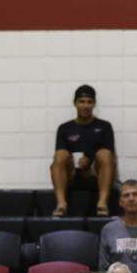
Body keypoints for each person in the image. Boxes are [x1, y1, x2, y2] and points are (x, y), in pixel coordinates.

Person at [52, 85, 117, 218]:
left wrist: (89, 161)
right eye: (82, 102)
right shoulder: (65, 128)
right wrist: (76, 162)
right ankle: (61, 204)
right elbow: (61, 157)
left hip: (95, 172)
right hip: (72, 173)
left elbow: (110, 155)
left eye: (89, 102)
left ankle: (102, 203)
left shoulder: (104, 126)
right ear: (75, 103)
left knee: (105, 154)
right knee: (60, 155)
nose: (85, 106)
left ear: (94, 104)